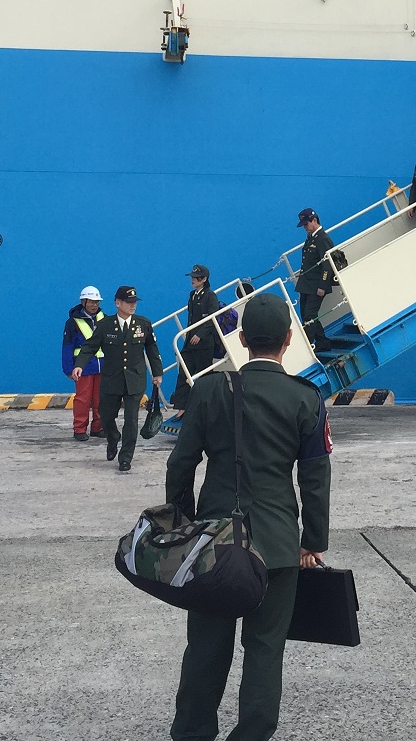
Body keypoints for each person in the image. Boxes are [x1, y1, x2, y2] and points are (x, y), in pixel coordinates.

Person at [166, 293, 332, 741]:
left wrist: (183, 525)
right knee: (265, 648)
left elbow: (180, 465)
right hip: (277, 546)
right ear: (289, 339)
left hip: (214, 545)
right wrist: (312, 540)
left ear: (241, 339)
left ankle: (193, 732)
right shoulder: (305, 398)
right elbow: (315, 477)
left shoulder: (208, 390)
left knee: (205, 646)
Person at [93, 285, 164, 473]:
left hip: (135, 379)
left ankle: (125, 458)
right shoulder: (105, 325)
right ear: (118, 303)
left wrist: (157, 373)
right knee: (106, 416)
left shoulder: (143, 324)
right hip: (112, 379)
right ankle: (112, 438)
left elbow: (152, 349)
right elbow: (89, 347)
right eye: (129, 302)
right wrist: (79, 365)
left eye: (134, 302)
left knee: (131, 420)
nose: (133, 305)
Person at [172, 265, 222, 413]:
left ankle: (205, 408)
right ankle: (181, 407)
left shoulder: (210, 296)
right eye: (192, 277)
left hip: (204, 343)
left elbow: (212, 318)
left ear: (204, 279)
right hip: (190, 341)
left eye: (196, 277)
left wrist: (200, 334)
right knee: (184, 372)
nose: (193, 280)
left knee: (204, 376)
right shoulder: (193, 295)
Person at [62, 285, 106, 442]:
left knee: (101, 399)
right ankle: (79, 429)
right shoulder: (72, 323)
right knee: (83, 399)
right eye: (92, 302)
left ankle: (98, 427)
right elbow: (67, 346)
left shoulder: (105, 319)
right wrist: (68, 369)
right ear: (83, 302)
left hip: (103, 366)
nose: (95, 305)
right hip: (83, 368)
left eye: (97, 302)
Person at [295, 209, 335, 350]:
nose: (305, 228)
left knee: (309, 315)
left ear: (314, 220)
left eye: (306, 224)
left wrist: (323, 285)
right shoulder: (311, 237)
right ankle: (323, 342)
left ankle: (307, 346)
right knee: (305, 314)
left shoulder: (322, 239)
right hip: (306, 284)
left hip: (316, 285)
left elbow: (327, 264)